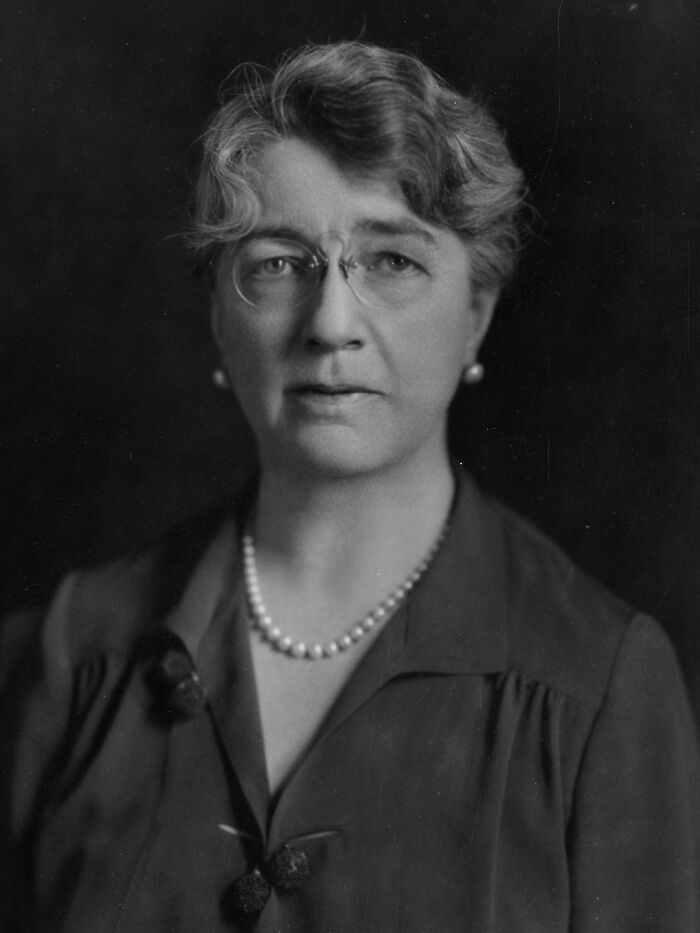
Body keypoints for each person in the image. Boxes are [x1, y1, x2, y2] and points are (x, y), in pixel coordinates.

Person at [1, 40, 698, 933]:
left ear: (476, 314)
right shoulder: (66, 657)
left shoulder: (597, 689)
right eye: (280, 262)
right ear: (218, 315)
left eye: (393, 261)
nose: (331, 323)